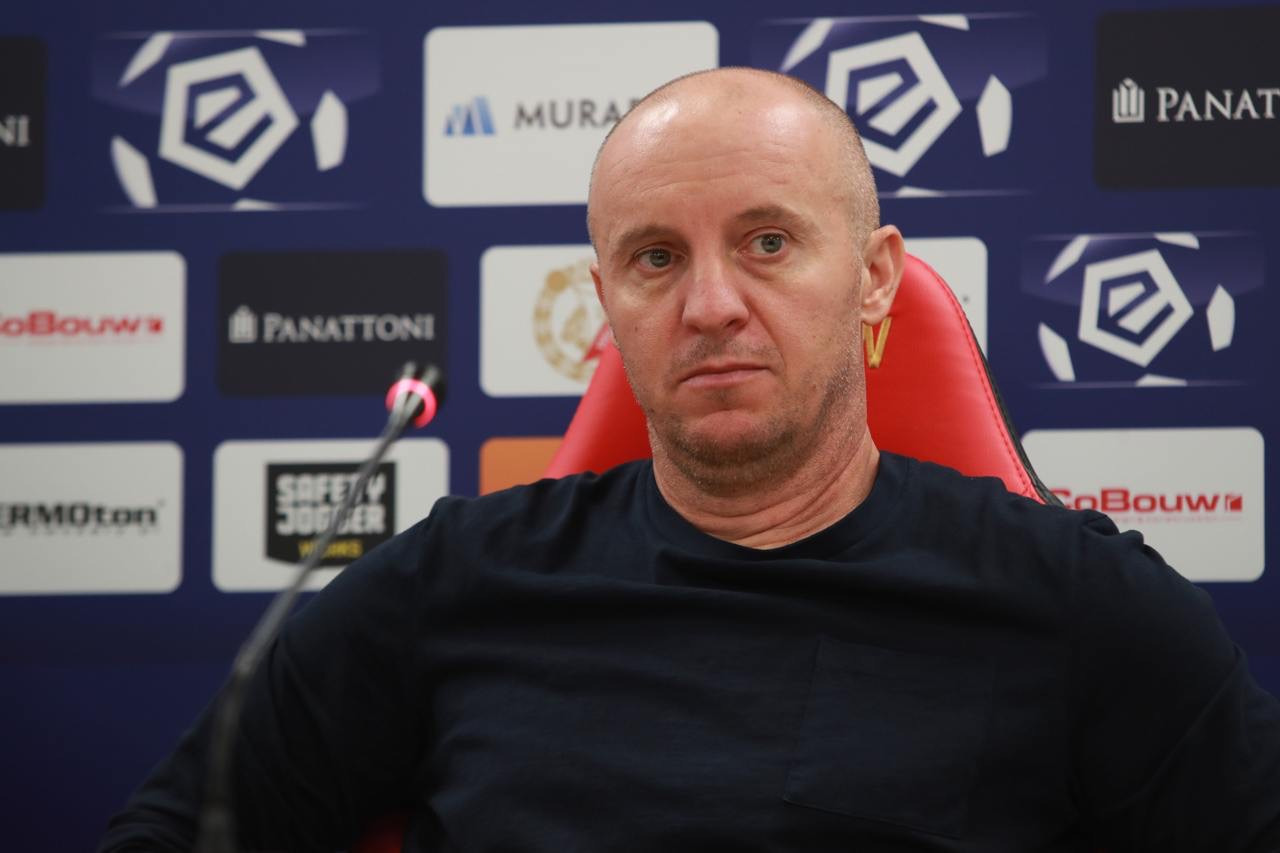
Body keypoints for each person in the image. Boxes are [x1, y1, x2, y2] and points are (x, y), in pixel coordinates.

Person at [101, 67, 1280, 852]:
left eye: (766, 242)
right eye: (655, 258)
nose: (710, 304)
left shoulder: (1073, 595)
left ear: (873, 277)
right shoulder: (451, 579)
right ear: (606, 299)